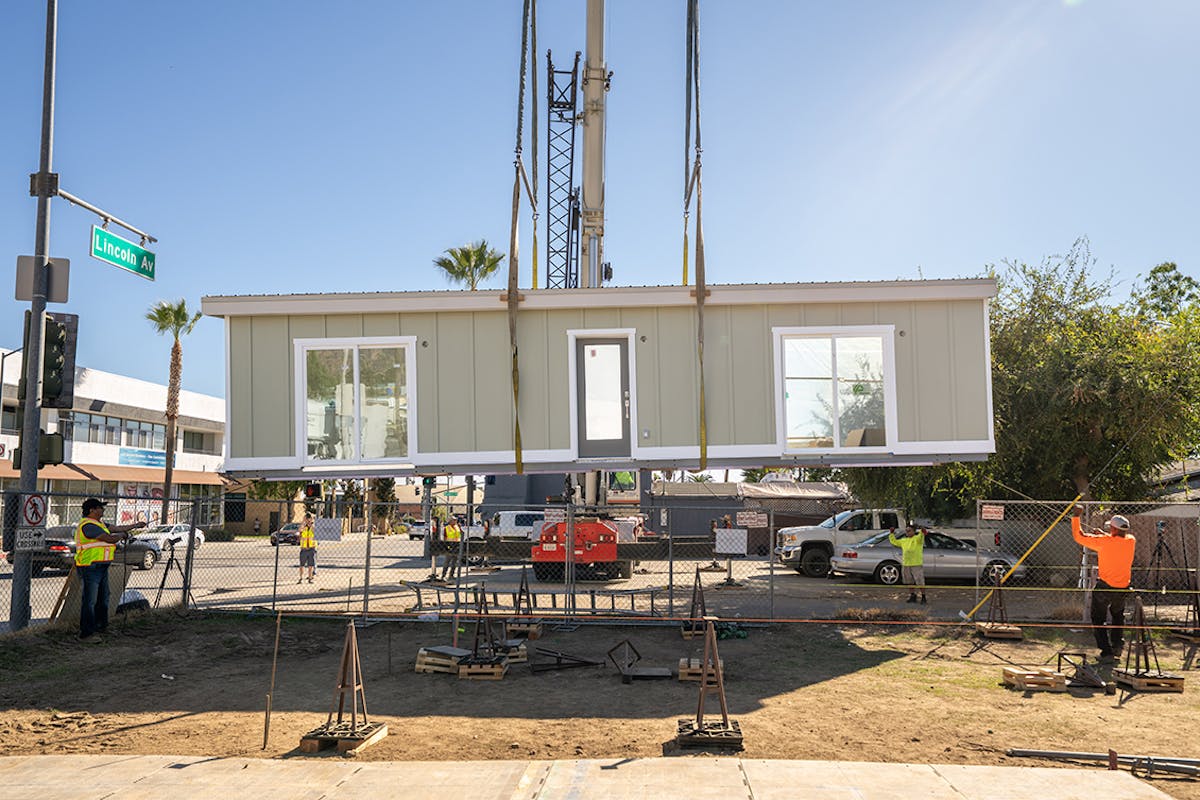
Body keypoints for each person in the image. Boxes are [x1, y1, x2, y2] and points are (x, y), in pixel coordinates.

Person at [76, 497, 147, 643]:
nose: (103, 509)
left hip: (101, 566)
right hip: (90, 566)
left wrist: (135, 525)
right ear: (92, 510)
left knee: (104, 598)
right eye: (100, 507)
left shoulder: (99, 523)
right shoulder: (88, 525)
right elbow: (109, 538)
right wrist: (122, 536)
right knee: (90, 601)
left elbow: (117, 528)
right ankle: (86, 634)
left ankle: (101, 627)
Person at [1072, 506, 1136, 661]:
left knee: (1098, 618)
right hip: (1123, 587)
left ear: (1113, 529)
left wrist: (1076, 517)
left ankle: (1106, 652)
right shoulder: (1131, 540)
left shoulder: (1104, 542)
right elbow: (1115, 540)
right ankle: (1117, 646)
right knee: (1118, 616)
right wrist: (1105, 535)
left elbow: (1079, 536)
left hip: (1105, 586)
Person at [889, 523, 927, 604]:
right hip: (906, 564)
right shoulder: (904, 540)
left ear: (913, 531)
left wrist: (922, 531)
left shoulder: (917, 539)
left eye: (909, 531)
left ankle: (923, 597)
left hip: (916, 563)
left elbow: (921, 536)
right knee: (909, 581)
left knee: (920, 581)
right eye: (906, 531)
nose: (907, 532)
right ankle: (912, 595)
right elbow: (894, 542)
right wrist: (891, 534)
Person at [298, 514, 317, 583]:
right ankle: (300, 578)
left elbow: (315, 531)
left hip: (311, 548)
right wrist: (303, 521)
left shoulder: (313, 527)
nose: (308, 521)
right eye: (307, 519)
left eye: (309, 519)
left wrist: (311, 523)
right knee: (301, 565)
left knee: (310, 565)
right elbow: (300, 529)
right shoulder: (304, 527)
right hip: (304, 548)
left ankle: (310, 578)